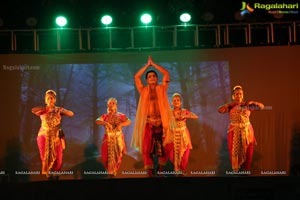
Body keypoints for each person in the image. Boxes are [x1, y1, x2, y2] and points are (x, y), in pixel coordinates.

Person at [131, 56, 175, 177]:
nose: (152, 77)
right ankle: (150, 172)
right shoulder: (143, 90)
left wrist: (154, 65)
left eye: (154, 76)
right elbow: (136, 77)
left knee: (167, 146)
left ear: (156, 79)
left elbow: (166, 74)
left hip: (162, 122)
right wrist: (147, 66)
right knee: (146, 149)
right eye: (149, 76)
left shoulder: (162, 88)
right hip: (149, 122)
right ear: (146, 80)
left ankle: (160, 169)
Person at [218, 85, 264, 173]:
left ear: (242, 95)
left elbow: (262, 107)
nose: (238, 96)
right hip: (234, 131)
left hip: (247, 131)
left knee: (248, 152)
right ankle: (236, 171)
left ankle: (246, 170)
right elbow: (220, 110)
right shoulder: (231, 106)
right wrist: (230, 104)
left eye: (240, 94)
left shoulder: (247, 105)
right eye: (236, 94)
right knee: (234, 152)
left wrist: (253, 102)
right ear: (233, 96)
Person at [31, 89, 74, 180]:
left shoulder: (58, 109)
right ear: (46, 100)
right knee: (45, 156)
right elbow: (33, 110)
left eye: (52, 98)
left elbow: (71, 114)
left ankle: (56, 174)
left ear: (54, 100)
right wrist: (45, 108)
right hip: (44, 135)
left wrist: (61, 110)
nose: (50, 99)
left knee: (58, 157)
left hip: (56, 136)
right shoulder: (42, 110)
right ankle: (49, 175)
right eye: (48, 98)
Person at [95, 97, 131, 177]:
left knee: (117, 156)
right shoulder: (105, 116)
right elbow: (97, 121)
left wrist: (121, 124)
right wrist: (106, 123)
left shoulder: (120, 115)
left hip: (118, 137)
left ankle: (114, 172)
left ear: (116, 105)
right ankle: (109, 170)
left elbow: (129, 121)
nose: (111, 105)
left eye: (113, 103)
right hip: (108, 136)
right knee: (105, 156)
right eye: (110, 103)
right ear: (108, 105)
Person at [170, 92, 198, 176]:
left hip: (183, 133)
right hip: (173, 133)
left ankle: (183, 170)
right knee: (173, 153)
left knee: (185, 152)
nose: (176, 102)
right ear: (172, 102)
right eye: (174, 100)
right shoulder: (170, 112)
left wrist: (185, 116)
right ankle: (177, 170)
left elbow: (195, 116)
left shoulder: (184, 111)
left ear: (181, 102)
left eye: (178, 100)